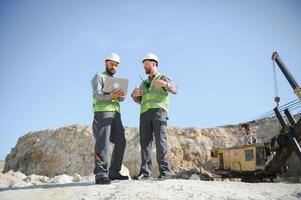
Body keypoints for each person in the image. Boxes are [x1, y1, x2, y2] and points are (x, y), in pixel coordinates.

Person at [131, 53, 177, 180]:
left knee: (161, 142)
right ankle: (145, 173)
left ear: (154, 64)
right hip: (144, 113)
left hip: (159, 113)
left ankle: (165, 172)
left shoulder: (163, 77)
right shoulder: (143, 82)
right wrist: (133, 95)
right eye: (144, 65)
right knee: (145, 143)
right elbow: (139, 100)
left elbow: (175, 90)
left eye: (146, 64)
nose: (144, 66)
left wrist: (165, 85)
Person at [91, 53, 128, 184]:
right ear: (106, 63)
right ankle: (100, 174)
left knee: (121, 141)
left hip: (116, 114)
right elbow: (97, 94)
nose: (114, 67)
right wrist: (110, 95)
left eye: (116, 65)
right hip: (102, 113)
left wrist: (121, 94)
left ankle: (114, 172)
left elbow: (122, 99)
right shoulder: (99, 76)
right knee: (103, 143)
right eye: (112, 64)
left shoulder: (116, 81)